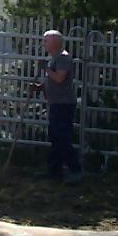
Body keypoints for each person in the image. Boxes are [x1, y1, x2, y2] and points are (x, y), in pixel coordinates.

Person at [35, 29, 82, 184]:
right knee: (55, 138)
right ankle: (54, 171)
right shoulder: (54, 58)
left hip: (63, 104)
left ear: (54, 43)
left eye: (46, 41)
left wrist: (46, 70)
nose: (44, 44)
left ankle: (75, 170)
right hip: (56, 103)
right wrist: (42, 86)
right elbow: (54, 80)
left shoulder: (63, 58)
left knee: (62, 138)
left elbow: (60, 78)